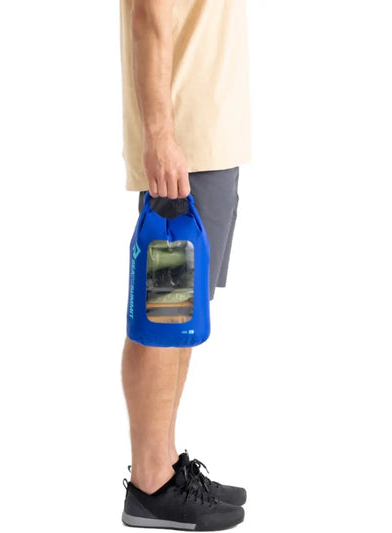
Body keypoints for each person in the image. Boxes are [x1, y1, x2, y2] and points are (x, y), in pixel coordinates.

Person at [119, 1, 251, 530]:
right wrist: (160, 138)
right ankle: (150, 484)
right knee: (164, 316)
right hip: (185, 149)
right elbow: (149, 20)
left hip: (208, 143)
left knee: (180, 317)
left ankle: (166, 467)